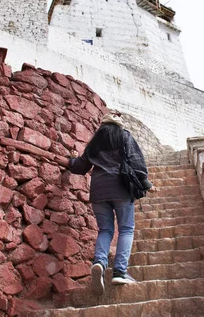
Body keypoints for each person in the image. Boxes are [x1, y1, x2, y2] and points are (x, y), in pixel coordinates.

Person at [67, 111, 153, 295]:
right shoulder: (124, 136)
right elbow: (137, 163)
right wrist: (146, 184)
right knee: (126, 229)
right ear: (118, 126)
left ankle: (99, 262)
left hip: (99, 190)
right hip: (121, 188)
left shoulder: (95, 142)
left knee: (105, 230)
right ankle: (120, 272)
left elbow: (81, 167)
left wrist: (70, 160)